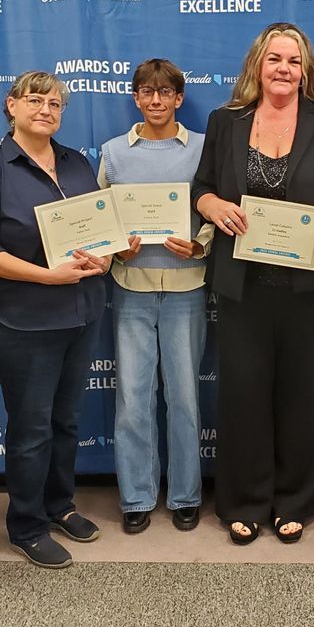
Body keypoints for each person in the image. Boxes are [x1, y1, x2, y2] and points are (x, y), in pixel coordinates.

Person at [192, 22, 314, 545]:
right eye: (275, 59)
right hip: (242, 285)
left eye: (294, 60)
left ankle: (295, 500)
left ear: (305, 69)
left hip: (309, 285)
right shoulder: (225, 121)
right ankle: (243, 502)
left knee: (304, 396)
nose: (284, 69)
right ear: (257, 66)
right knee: (242, 394)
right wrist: (214, 206)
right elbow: (202, 187)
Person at [0, 71, 110, 569]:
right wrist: (47, 276)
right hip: (22, 322)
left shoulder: (77, 163)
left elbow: (100, 227)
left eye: (55, 103)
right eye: (35, 100)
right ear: (12, 106)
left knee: (66, 421)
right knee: (32, 428)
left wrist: (107, 255)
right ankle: (25, 525)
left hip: (81, 314)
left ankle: (58, 505)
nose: (46, 109)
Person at [97, 59, 212, 534]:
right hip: (131, 288)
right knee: (133, 398)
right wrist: (114, 245)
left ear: (179, 98)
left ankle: (185, 494)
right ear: (136, 97)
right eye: (147, 91)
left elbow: (217, 210)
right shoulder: (113, 152)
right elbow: (98, 215)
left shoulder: (203, 148)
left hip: (187, 287)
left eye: (166, 92)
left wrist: (200, 244)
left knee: (184, 397)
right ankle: (137, 496)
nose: (156, 100)